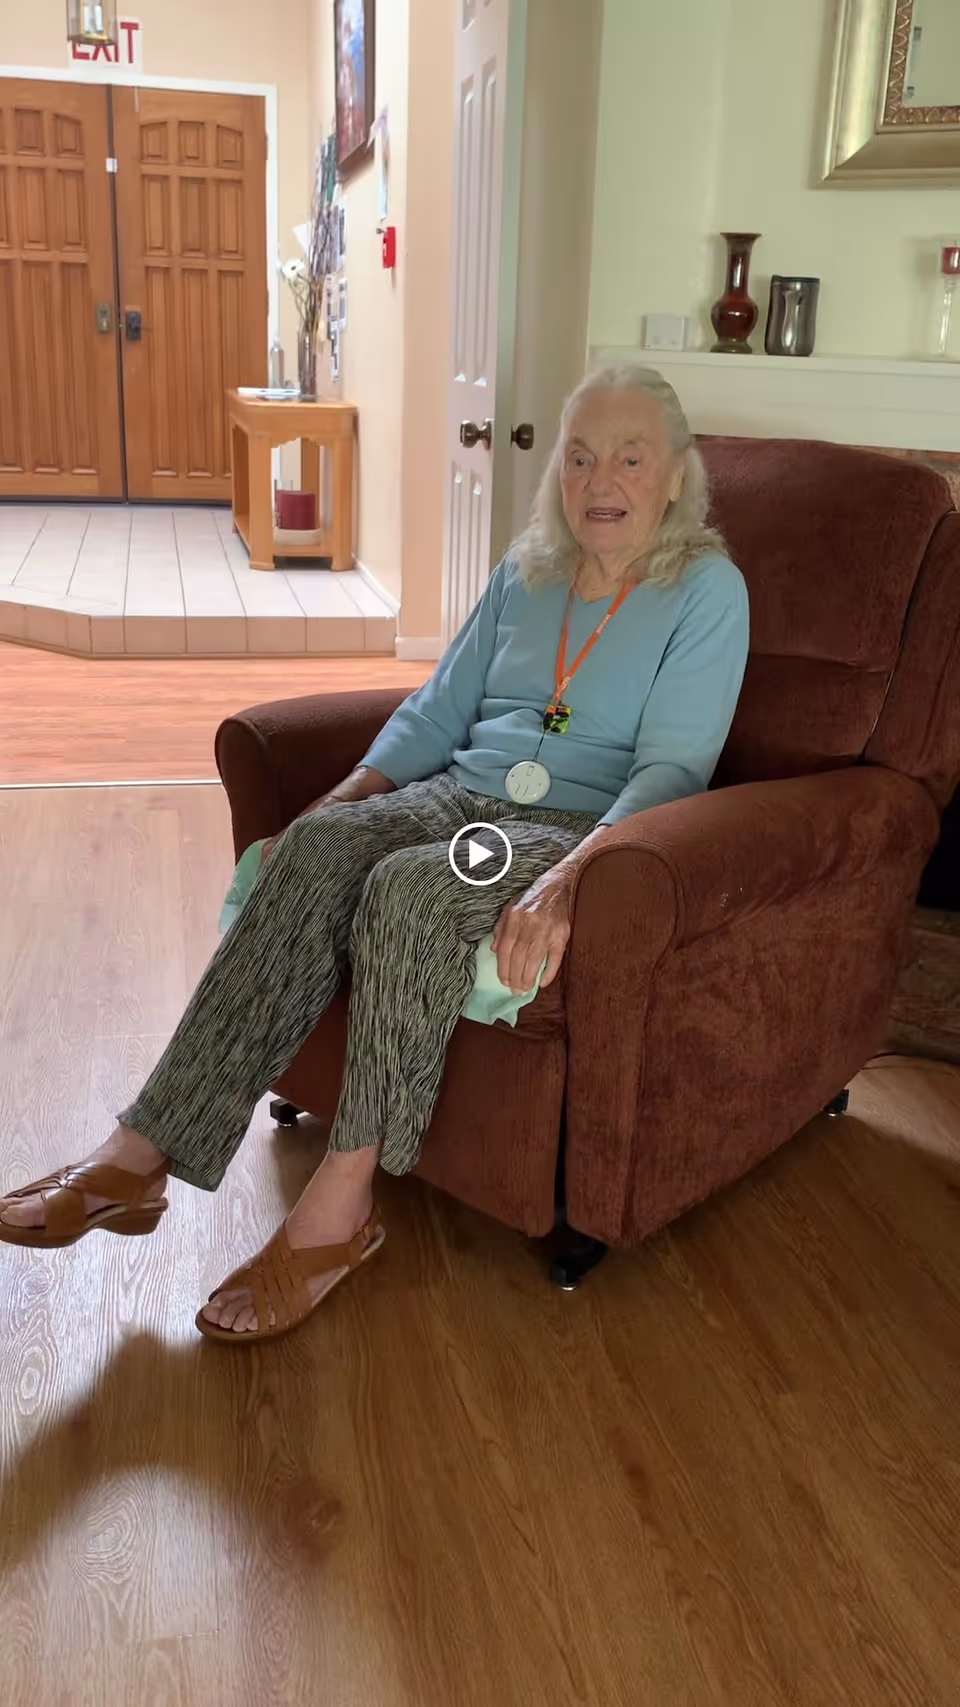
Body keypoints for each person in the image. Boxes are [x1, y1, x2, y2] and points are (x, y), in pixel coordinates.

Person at [0, 365, 749, 1343]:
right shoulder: (527, 571)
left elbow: (674, 767)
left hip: (564, 828)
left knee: (411, 890)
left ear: (677, 475)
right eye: (578, 455)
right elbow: (439, 709)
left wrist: (572, 881)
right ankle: (142, 1151)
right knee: (319, 850)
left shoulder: (705, 590)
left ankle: (341, 1208)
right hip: (457, 791)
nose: (599, 478)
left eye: (630, 457)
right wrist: (341, 800)